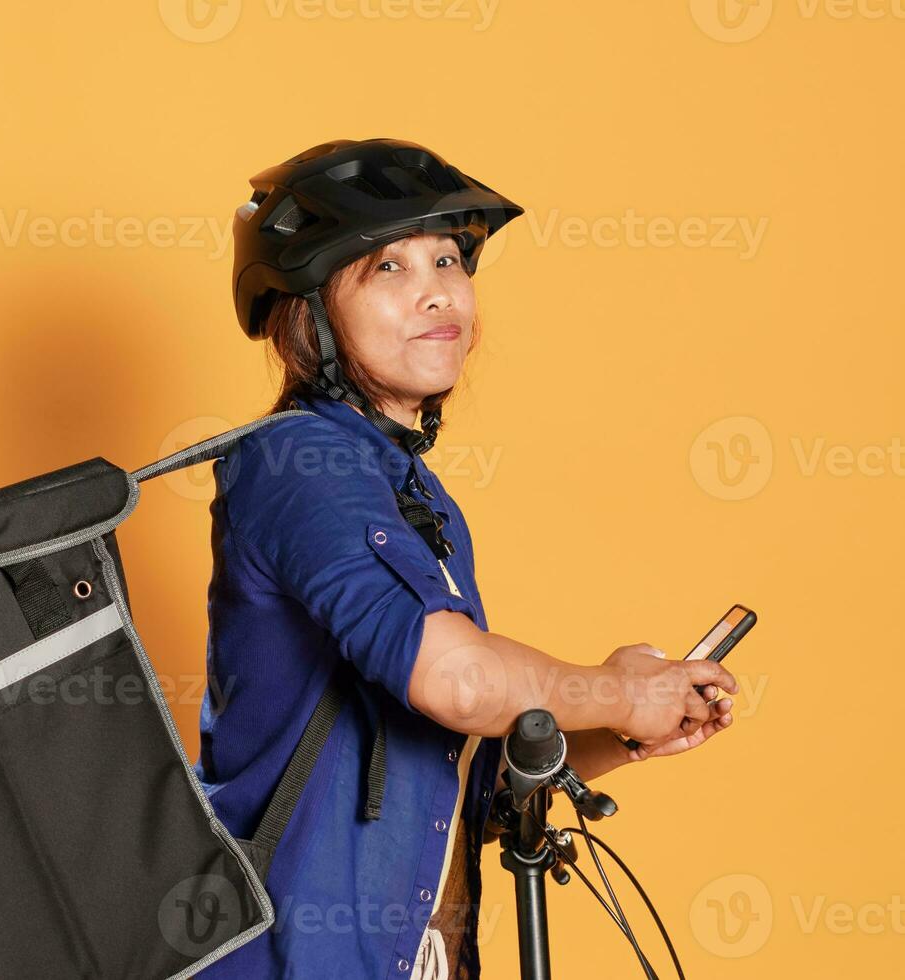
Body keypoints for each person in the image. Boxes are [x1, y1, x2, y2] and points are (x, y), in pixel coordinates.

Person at [191, 138, 739, 979]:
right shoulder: (302, 463)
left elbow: (455, 784)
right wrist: (623, 690)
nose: (437, 291)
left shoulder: (411, 492)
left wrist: (620, 730)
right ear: (309, 311)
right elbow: (460, 683)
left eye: (447, 258)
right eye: (388, 268)